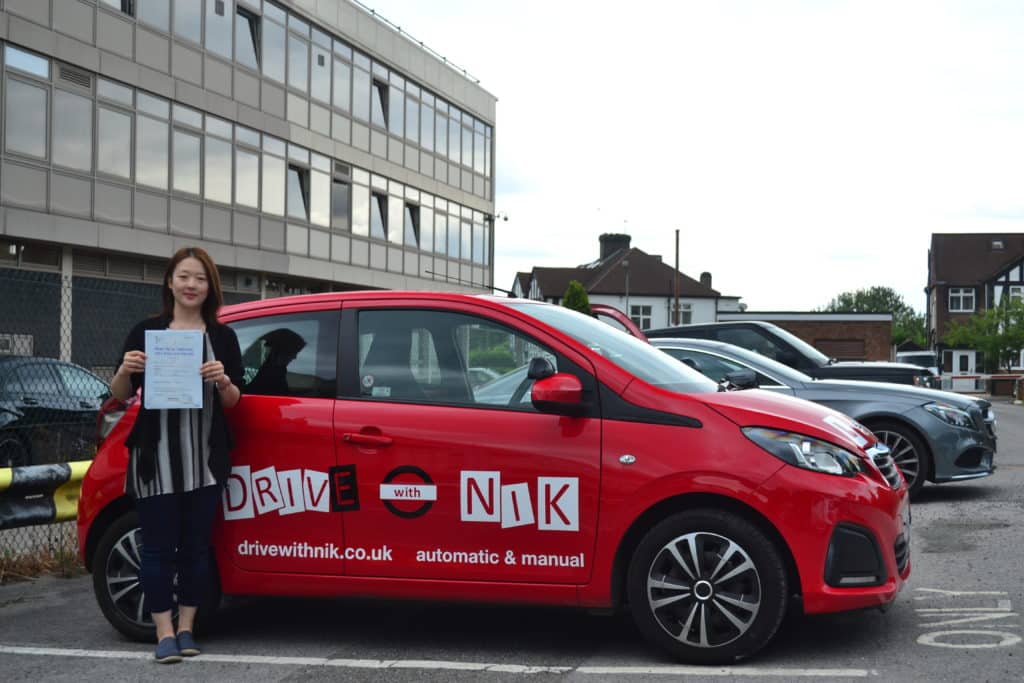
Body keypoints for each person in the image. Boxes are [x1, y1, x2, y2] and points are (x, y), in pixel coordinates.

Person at [109, 246, 242, 664]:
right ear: (170, 281)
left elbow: (235, 401)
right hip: (156, 459)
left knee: (196, 548)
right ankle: (163, 632)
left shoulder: (222, 336)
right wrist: (125, 370)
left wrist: (222, 381)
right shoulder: (146, 332)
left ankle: (188, 628)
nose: (191, 285)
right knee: (157, 548)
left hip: (204, 459)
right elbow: (119, 396)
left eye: (200, 278)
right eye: (184, 276)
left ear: (210, 287)